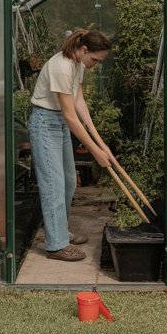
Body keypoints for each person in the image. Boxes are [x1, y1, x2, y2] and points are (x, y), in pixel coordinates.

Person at [29, 29, 113, 261]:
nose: (95, 64)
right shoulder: (62, 66)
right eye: (94, 59)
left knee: (67, 182)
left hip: (59, 123)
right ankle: (56, 245)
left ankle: (60, 232)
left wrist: (100, 141)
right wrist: (95, 152)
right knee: (53, 184)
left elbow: (79, 101)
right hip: (45, 122)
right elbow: (70, 116)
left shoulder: (78, 64)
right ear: (84, 49)